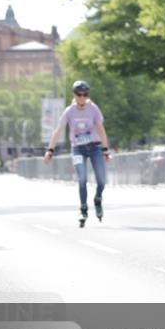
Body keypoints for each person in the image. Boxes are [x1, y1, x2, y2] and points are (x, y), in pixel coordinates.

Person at [43, 80, 111, 227]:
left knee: (101, 181)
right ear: (74, 95)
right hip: (78, 149)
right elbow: (58, 130)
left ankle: (98, 198)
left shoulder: (93, 109)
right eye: (79, 94)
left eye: (85, 94)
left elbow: (101, 129)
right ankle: (83, 209)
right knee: (82, 179)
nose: (82, 97)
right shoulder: (69, 111)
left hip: (95, 147)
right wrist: (50, 151)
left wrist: (106, 150)